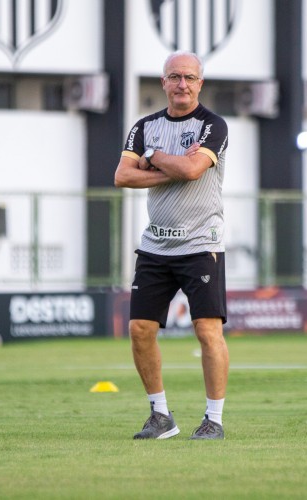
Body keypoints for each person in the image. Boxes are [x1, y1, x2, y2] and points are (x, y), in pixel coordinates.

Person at [114, 51, 229, 440]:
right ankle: (161, 416)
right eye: (175, 76)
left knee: (207, 330)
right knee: (140, 328)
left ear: (201, 84)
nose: (182, 84)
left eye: (190, 78)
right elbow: (121, 177)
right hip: (156, 245)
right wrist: (173, 167)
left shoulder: (213, 125)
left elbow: (194, 170)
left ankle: (214, 419)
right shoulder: (144, 126)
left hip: (201, 243)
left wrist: (151, 159)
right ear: (163, 82)